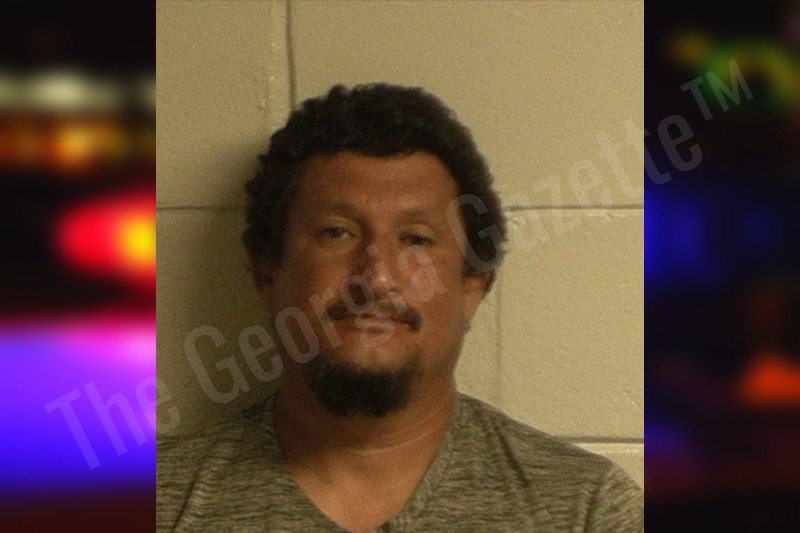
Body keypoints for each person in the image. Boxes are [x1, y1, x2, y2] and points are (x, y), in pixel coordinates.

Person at [156, 83, 643, 532]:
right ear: (267, 274)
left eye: (416, 239)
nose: (376, 277)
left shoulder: (587, 510)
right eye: (336, 233)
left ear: (472, 286)